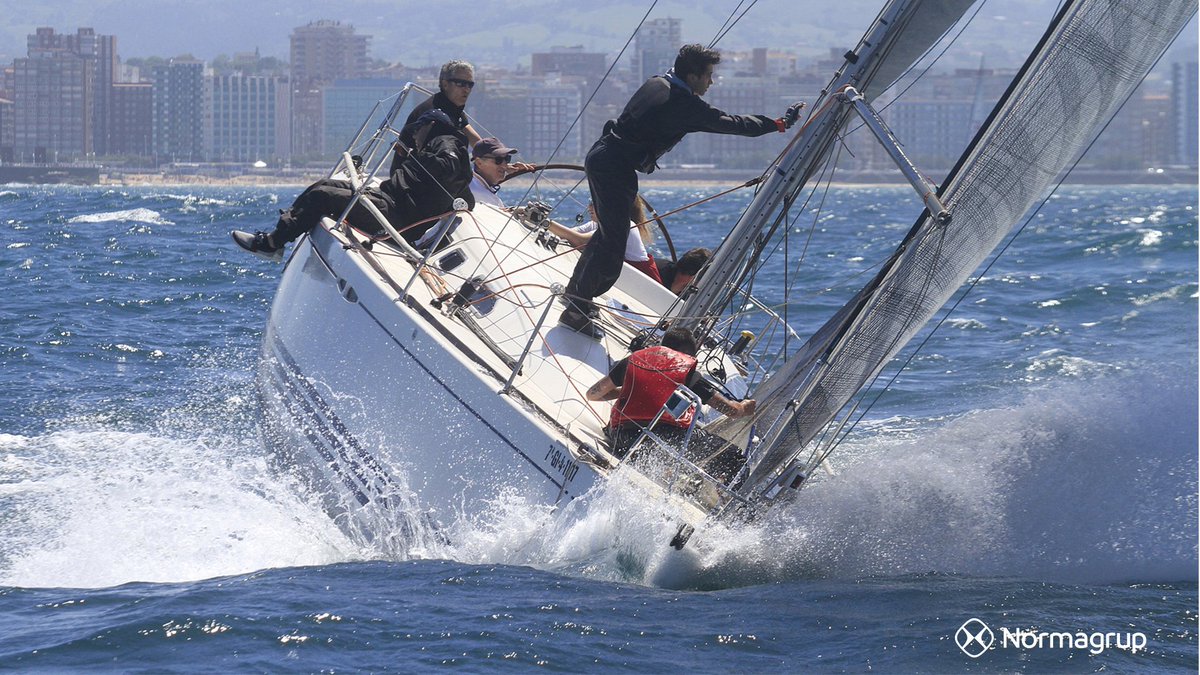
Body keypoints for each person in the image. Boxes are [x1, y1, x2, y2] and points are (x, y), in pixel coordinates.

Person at [560, 44, 804, 339]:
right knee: (612, 244)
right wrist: (778, 124)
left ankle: (576, 297)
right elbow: (731, 124)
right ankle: (577, 308)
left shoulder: (656, 82)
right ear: (692, 76)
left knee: (608, 236)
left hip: (603, 156)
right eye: (708, 75)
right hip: (614, 166)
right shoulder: (681, 103)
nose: (711, 82)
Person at [232, 108, 474, 261]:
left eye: (417, 129)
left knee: (322, 196)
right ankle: (279, 234)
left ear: (431, 126)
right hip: (388, 202)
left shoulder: (445, 142)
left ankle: (271, 244)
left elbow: (448, 165)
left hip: (396, 217)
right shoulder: (443, 145)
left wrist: (415, 157)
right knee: (323, 185)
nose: (414, 135)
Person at [586, 326, 755, 479]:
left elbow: (593, 394)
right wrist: (744, 407)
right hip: (658, 442)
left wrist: (632, 389)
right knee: (733, 457)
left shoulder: (633, 359)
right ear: (687, 353)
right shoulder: (687, 371)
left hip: (620, 437)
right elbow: (731, 411)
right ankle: (720, 494)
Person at [547, 201, 662, 283]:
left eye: (594, 201)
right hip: (623, 279)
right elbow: (569, 234)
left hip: (644, 284)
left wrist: (546, 222)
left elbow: (580, 241)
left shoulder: (622, 225)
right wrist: (545, 225)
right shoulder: (595, 224)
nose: (589, 207)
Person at [469, 137, 533, 208]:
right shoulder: (474, 191)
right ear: (479, 163)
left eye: (507, 159)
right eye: (498, 160)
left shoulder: (476, 183)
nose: (504, 165)